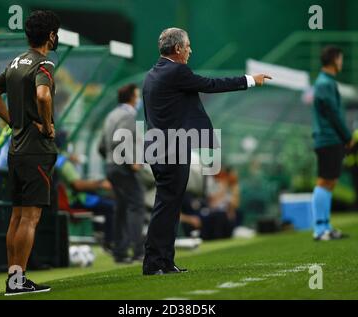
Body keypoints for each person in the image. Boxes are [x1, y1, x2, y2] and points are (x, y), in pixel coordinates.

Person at [142, 27, 271, 275]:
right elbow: (210, 84)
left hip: (159, 147)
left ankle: (164, 261)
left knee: (168, 205)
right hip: (171, 148)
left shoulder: (152, 73)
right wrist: (250, 80)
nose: (191, 50)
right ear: (178, 48)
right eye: (188, 45)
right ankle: (154, 262)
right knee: (167, 206)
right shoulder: (176, 71)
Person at [0, 10, 60, 295]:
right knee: (30, 218)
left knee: (17, 217)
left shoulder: (16, 62)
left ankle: (14, 278)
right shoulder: (44, 64)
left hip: (16, 149)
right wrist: (48, 125)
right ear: (51, 35)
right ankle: (18, 281)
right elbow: (43, 95)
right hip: (36, 151)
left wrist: (13, 121)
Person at [101, 84, 146, 264]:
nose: (139, 99)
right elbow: (121, 138)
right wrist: (131, 162)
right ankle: (137, 250)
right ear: (132, 98)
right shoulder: (128, 116)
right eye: (137, 95)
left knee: (121, 207)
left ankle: (120, 251)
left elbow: (101, 145)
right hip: (123, 166)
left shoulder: (111, 116)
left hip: (111, 165)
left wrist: (109, 159)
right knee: (137, 204)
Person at [311, 46, 351, 241]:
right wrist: (347, 136)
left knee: (330, 181)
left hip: (330, 138)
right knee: (324, 180)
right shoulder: (325, 83)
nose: (342, 63)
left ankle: (326, 226)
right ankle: (319, 229)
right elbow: (333, 114)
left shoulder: (326, 82)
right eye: (341, 59)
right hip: (328, 138)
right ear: (335, 59)